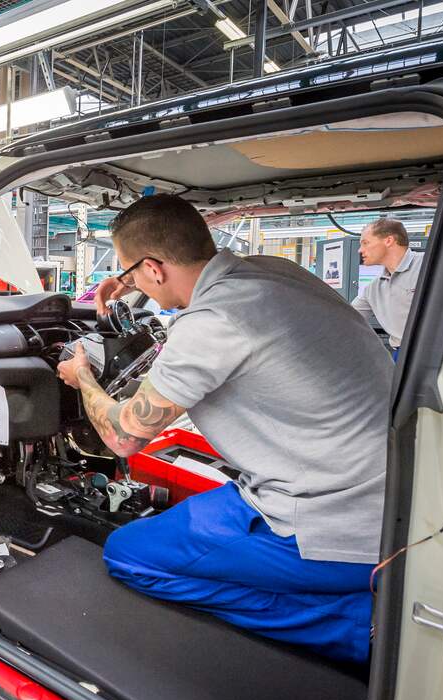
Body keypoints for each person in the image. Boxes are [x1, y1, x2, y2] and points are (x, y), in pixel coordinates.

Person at [57, 195, 392, 664]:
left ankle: (355, 627)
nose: (133, 284)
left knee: (128, 553)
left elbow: (123, 437)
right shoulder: (272, 272)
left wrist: (84, 379)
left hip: (329, 526)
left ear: (153, 269)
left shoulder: (212, 323)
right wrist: (127, 295)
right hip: (387, 496)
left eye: (131, 274)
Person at [352, 218, 424, 359]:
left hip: (438, 353)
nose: (360, 250)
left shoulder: (427, 265)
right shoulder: (373, 289)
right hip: (403, 354)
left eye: (365, 243)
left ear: (388, 241)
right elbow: (346, 317)